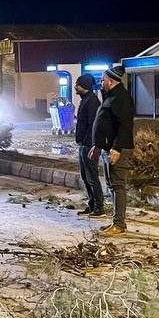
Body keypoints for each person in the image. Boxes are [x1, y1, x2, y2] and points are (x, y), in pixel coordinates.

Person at [90, 66, 135, 237]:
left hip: (118, 149)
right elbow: (105, 123)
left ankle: (119, 224)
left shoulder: (121, 98)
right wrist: (98, 144)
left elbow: (125, 125)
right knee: (112, 185)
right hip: (109, 148)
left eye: (102, 80)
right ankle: (116, 222)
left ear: (110, 81)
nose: (101, 83)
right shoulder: (111, 97)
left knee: (118, 185)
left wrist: (117, 148)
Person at [73, 74, 104, 217]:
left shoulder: (92, 102)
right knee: (85, 177)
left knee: (92, 177)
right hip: (83, 145)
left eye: (78, 85)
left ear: (84, 86)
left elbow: (94, 125)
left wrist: (90, 144)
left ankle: (99, 207)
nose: (75, 87)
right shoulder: (86, 100)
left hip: (89, 146)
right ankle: (92, 205)